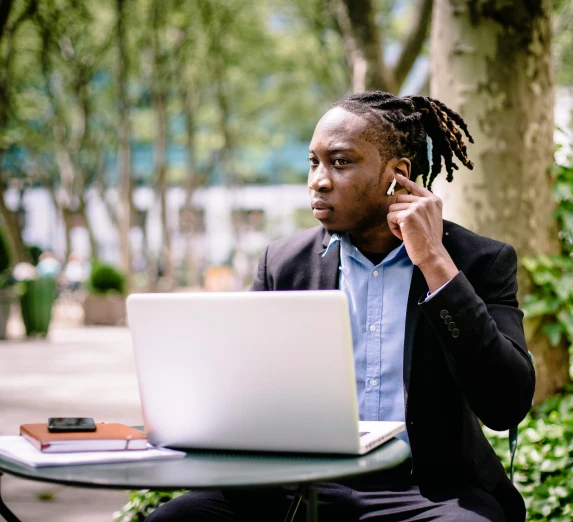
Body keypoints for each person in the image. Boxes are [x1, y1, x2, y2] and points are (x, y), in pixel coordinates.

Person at [148, 91, 535, 522]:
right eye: (313, 162)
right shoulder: (283, 264)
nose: (318, 180)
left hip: (427, 490)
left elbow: (505, 404)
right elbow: (249, 393)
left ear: (398, 176)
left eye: (341, 162)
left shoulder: (479, 261)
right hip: (301, 483)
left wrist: (434, 262)